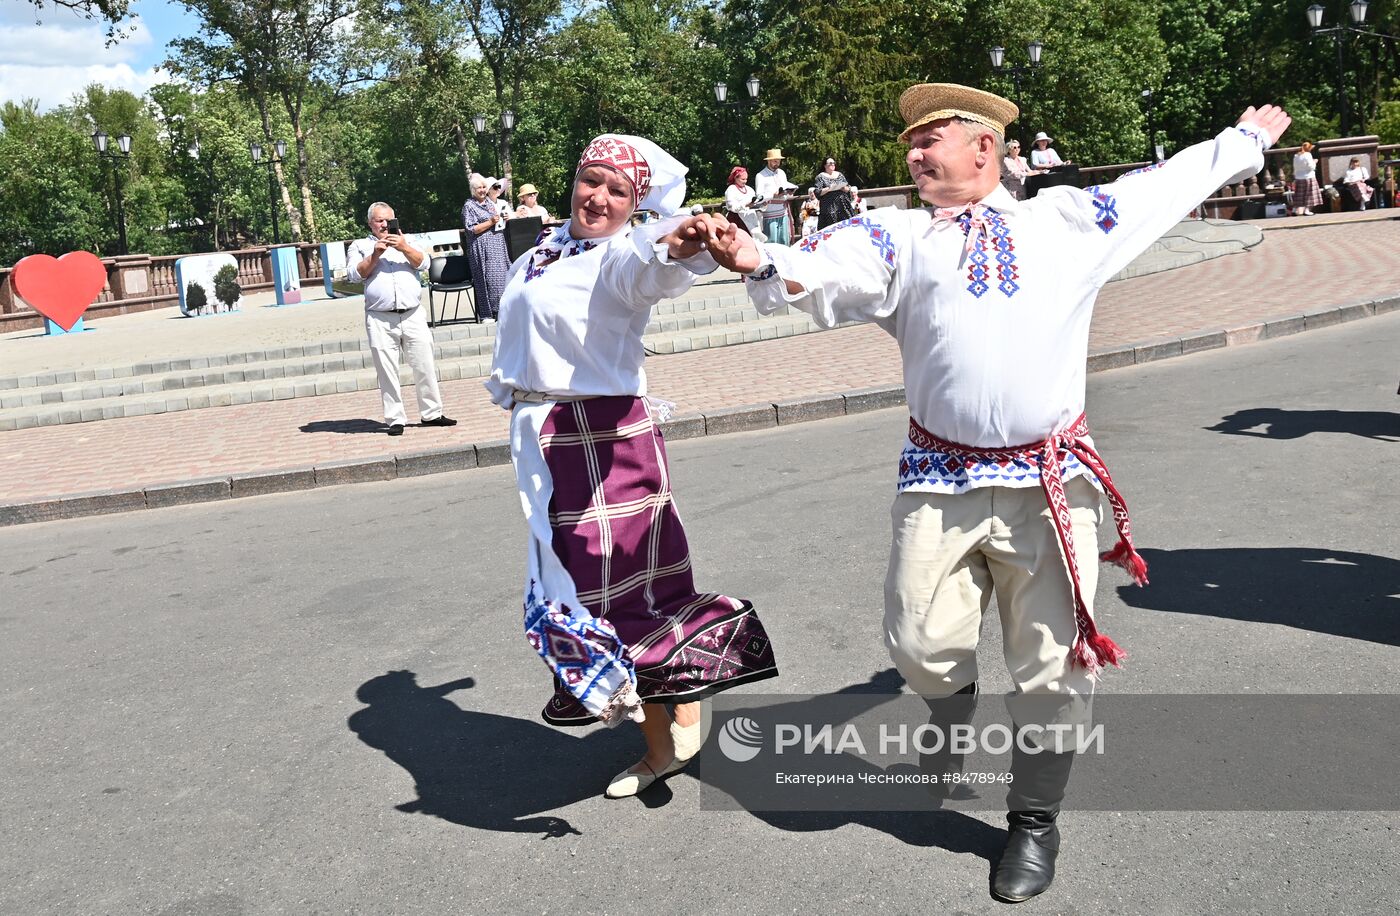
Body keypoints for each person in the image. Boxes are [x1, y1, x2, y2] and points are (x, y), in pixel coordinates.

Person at [691, 82, 1289, 903]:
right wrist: (757, 257)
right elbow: (819, 267)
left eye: (928, 137)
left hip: (1051, 482)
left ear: (984, 147)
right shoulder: (897, 235)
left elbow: (1161, 189)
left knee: (1052, 671)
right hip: (941, 478)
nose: (912, 151)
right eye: (911, 140)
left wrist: (1241, 144)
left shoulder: (1065, 225)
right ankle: (951, 711)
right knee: (916, 641)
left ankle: (1033, 822)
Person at [484, 134, 779, 799]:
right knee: (590, 589)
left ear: (634, 205)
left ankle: (664, 736)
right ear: (574, 180)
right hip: (545, 438)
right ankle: (675, 715)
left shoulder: (622, 255)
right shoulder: (540, 252)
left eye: (620, 192)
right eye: (593, 181)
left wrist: (681, 244)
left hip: (602, 436)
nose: (600, 198)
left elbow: (650, 269)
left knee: (619, 596)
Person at [346, 202, 458, 436]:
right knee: (386, 369)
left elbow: (425, 263)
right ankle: (395, 418)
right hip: (380, 317)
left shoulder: (408, 240)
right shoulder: (360, 245)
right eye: (379, 221)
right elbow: (354, 275)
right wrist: (376, 254)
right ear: (370, 223)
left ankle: (432, 413)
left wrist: (405, 247)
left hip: (412, 313)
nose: (385, 225)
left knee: (424, 364)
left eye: (389, 220)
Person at [462, 174, 510, 319]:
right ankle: (490, 313)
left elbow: (497, 222)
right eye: (479, 188)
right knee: (488, 279)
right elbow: (471, 229)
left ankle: (504, 309)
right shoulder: (469, 206)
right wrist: (490, 222)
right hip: (481, 248)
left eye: (484, 187)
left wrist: (504, 219)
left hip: (497, 244)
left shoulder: (490, 203)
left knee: (502, 276)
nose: (482, 190)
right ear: (473, 190)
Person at [754, 148, 795, 244]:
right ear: (768, 161)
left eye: (779, 161)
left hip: (783, 211)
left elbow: (785, 186)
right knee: (772, 240)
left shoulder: (781, 173)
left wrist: (789, 192)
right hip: (770, 213)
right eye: (774, 161)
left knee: (784, 240)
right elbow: (759, 196)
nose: (777, 163)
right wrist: (773, 195)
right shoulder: (761, 176)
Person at [814, 157, 855, 228]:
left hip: (843, 206)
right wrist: (829, 188)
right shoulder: (820, 177)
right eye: (830, 163)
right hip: (829, 208)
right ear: (825, 165)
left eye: (834, 163)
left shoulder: (840, 175)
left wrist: (843, 188)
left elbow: (848, 188)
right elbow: (818, 192)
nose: (833, 165)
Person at [723, 165, 760, 234]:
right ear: (736, 178)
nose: (745, 181)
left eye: (746, 179)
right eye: (743, 179)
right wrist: (745, 205)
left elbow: (754, 202)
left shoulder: (749, 189)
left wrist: (760, 204)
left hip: (750, 220)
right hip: (737, 220)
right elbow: (731, 206)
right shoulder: (731, 189)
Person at [1291, 141, 1321, 216]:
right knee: (1309, 195)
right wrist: (1315, 162)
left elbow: (1295, 167)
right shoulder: (1308, 155)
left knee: (1299, 195)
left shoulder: (1296, 156)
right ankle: (1307, 210)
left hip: (1299, 177)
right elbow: (1311, 167)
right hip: (1308, 176)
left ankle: (1295, 209)